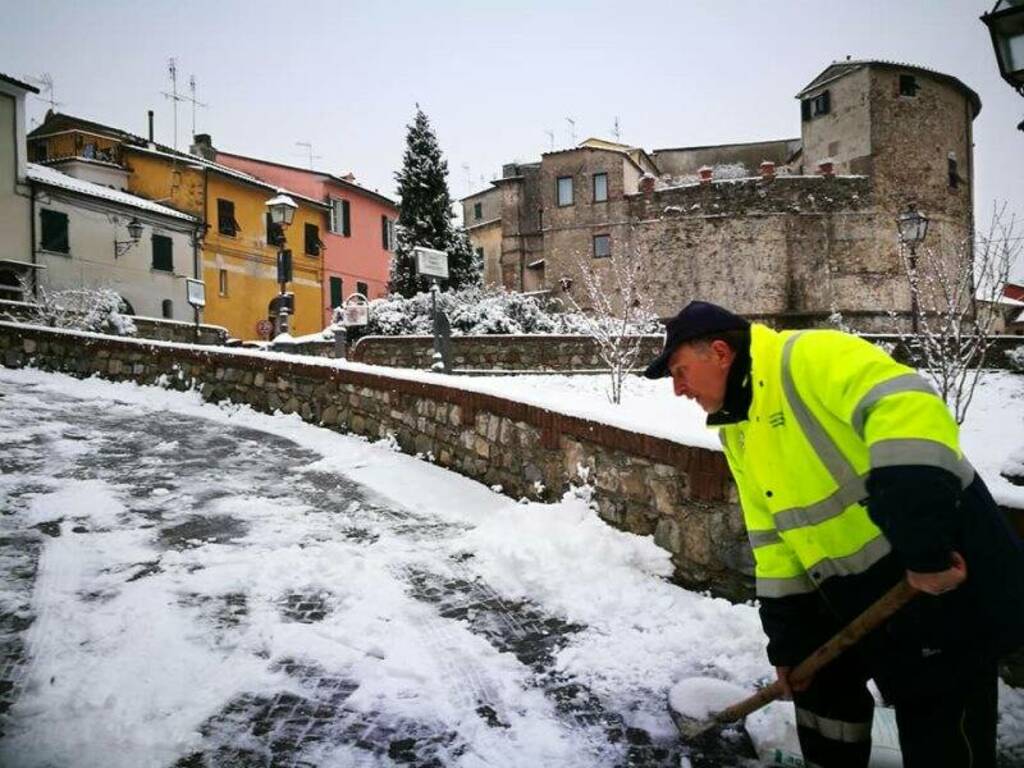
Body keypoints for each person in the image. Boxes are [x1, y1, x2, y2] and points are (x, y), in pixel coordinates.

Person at [644, 300, 1024, 768]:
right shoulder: (737, 431)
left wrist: (922, 544)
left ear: (720, 352)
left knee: (940, 722)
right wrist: (789, 643)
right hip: (850, 587)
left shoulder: (809, 356)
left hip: (943, 571)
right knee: (823, 697)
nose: (678, 390)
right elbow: (773, 541)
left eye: (680, 372)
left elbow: (909, 412)